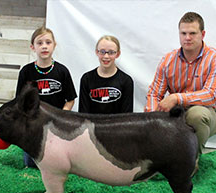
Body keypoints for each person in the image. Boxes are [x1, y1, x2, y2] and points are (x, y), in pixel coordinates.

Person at [144, 12, 216, 166]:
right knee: (152, 116)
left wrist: (177, 98)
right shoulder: (168, 59)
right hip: (177, 112)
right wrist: (152, 117)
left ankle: (190, 162)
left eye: (192, 33)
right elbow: (154, 93)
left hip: (208, 113)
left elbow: (211, 95)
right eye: (183, 33)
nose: (187, 38)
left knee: (196, 114)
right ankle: (161, 159)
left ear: (202, 34)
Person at [16, 26, 77, 168]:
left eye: (48, 42)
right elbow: (20, 101)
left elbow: (70, 99)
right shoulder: (26, 71)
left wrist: (61, 116)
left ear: (54, 45)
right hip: (33, 124)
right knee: (31, 164)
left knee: (57, 163)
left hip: (55, 123)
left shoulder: (62, 71)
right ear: (33, 47)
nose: (44, 46)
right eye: (39, 43)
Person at [79, 35, 134, 114]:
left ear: (117, 54)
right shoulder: (86, 79)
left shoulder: (126, 81)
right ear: (96, 52)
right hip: (92, 125)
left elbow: (127, 116)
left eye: (111, 52)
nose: (106, 56)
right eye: (102, 52)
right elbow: (83, 113)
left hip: (117, 125)